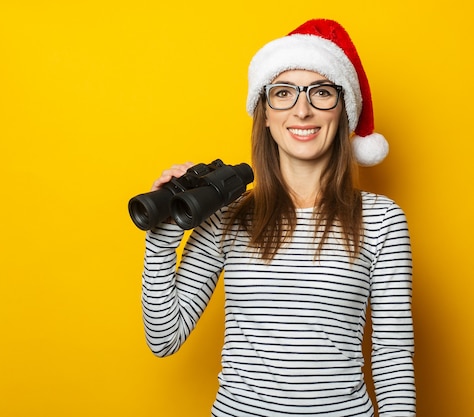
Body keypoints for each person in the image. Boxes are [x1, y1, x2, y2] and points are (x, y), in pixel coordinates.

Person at [139, 19, 415, 417]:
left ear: (343, 111)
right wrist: (162, 237)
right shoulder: (226, 214)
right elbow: (164, 339)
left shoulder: (382, 219)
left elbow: (392, 358)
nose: (302, 111)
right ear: (265, 114)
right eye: (283, 93)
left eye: (321, 93)